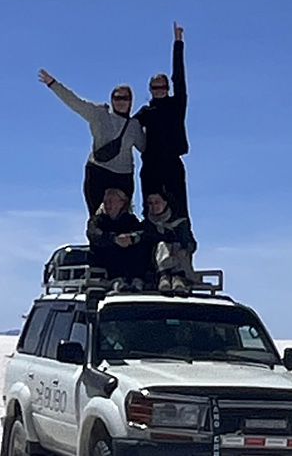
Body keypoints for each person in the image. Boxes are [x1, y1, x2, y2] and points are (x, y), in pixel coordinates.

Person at [42, 69, 145, 214]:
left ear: (131, 101)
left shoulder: (134, 125)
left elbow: (146, 148)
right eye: (117, 98)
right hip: (98, 172)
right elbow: (75, 103)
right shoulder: (99, 114)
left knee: (123, 217)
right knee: (97, 217)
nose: (121, 101)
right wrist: (53, 84)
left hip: (123, 176)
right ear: (111, 99)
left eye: (125, 98)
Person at [134, 23, 194, 218]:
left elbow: (179, 76)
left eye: (162, 87)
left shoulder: (177, 104)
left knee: (178, 208)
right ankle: (150, 244)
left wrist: (178, 42)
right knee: (150, 209)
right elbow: (126, 127)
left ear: (167, 88)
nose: (159, 90)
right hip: (151, 166)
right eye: (155, 87)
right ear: (150, 89)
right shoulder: (145, 112)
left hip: (172, 164)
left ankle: (183, 245)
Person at [86, 187, 152, 291]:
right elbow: (94, 234)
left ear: (122, 203)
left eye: (111, 201)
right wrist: (114, 239)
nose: (108, 205)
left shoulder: (130, 220)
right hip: (105, 261)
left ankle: (137, 279)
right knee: (111, 248)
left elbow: (144, 234)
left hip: (129, 262)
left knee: (140, 247)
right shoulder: (97, 220)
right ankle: (116, 281)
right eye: (106, 202)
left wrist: (132, 238)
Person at [141, 191, 197, 293]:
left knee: (177, 246)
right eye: (150, 203)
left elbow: (190, 243)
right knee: (162, 246)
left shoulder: (179, 222)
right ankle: (164, 276)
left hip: (179, 261)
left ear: (165, 203)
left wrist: (185, 250)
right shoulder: (146, 225)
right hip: (155, 266)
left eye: (157, 202)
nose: (154, 206)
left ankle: (179, 278)